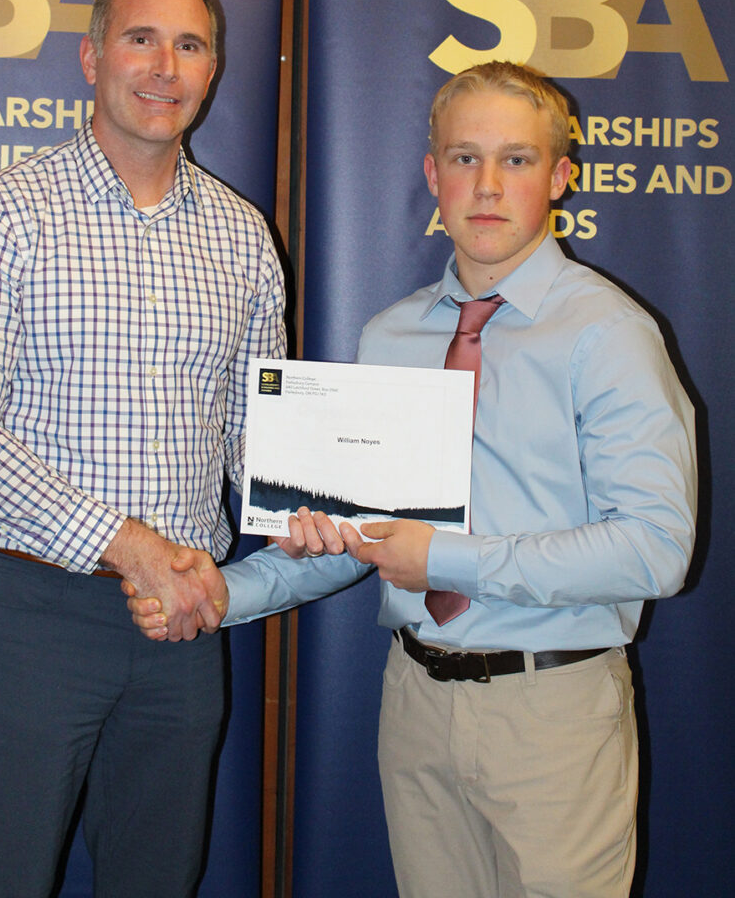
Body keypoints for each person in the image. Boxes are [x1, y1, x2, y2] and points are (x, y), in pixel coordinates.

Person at [130, 61, 697, 897]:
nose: (488, 185)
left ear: (561, 177)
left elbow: (655, 550)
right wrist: (222, 591)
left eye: (517, 159)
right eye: (465, 159)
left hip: (555, 710)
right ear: (433, 175)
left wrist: (446, 560)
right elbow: (361, 542)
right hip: (416, 703)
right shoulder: (390, 334)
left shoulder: (607, 334)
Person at [0, 0, 286, 898]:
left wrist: (312, 506)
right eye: (141, 38)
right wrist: (129, 546)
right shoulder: (6, 213)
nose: (166, 65)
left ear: (213, 70)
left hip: (187, 631)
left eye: (191, 44)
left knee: (159, 882)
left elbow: (254, 433)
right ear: (91, 59)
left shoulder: (244, 237)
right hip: (38, 622)